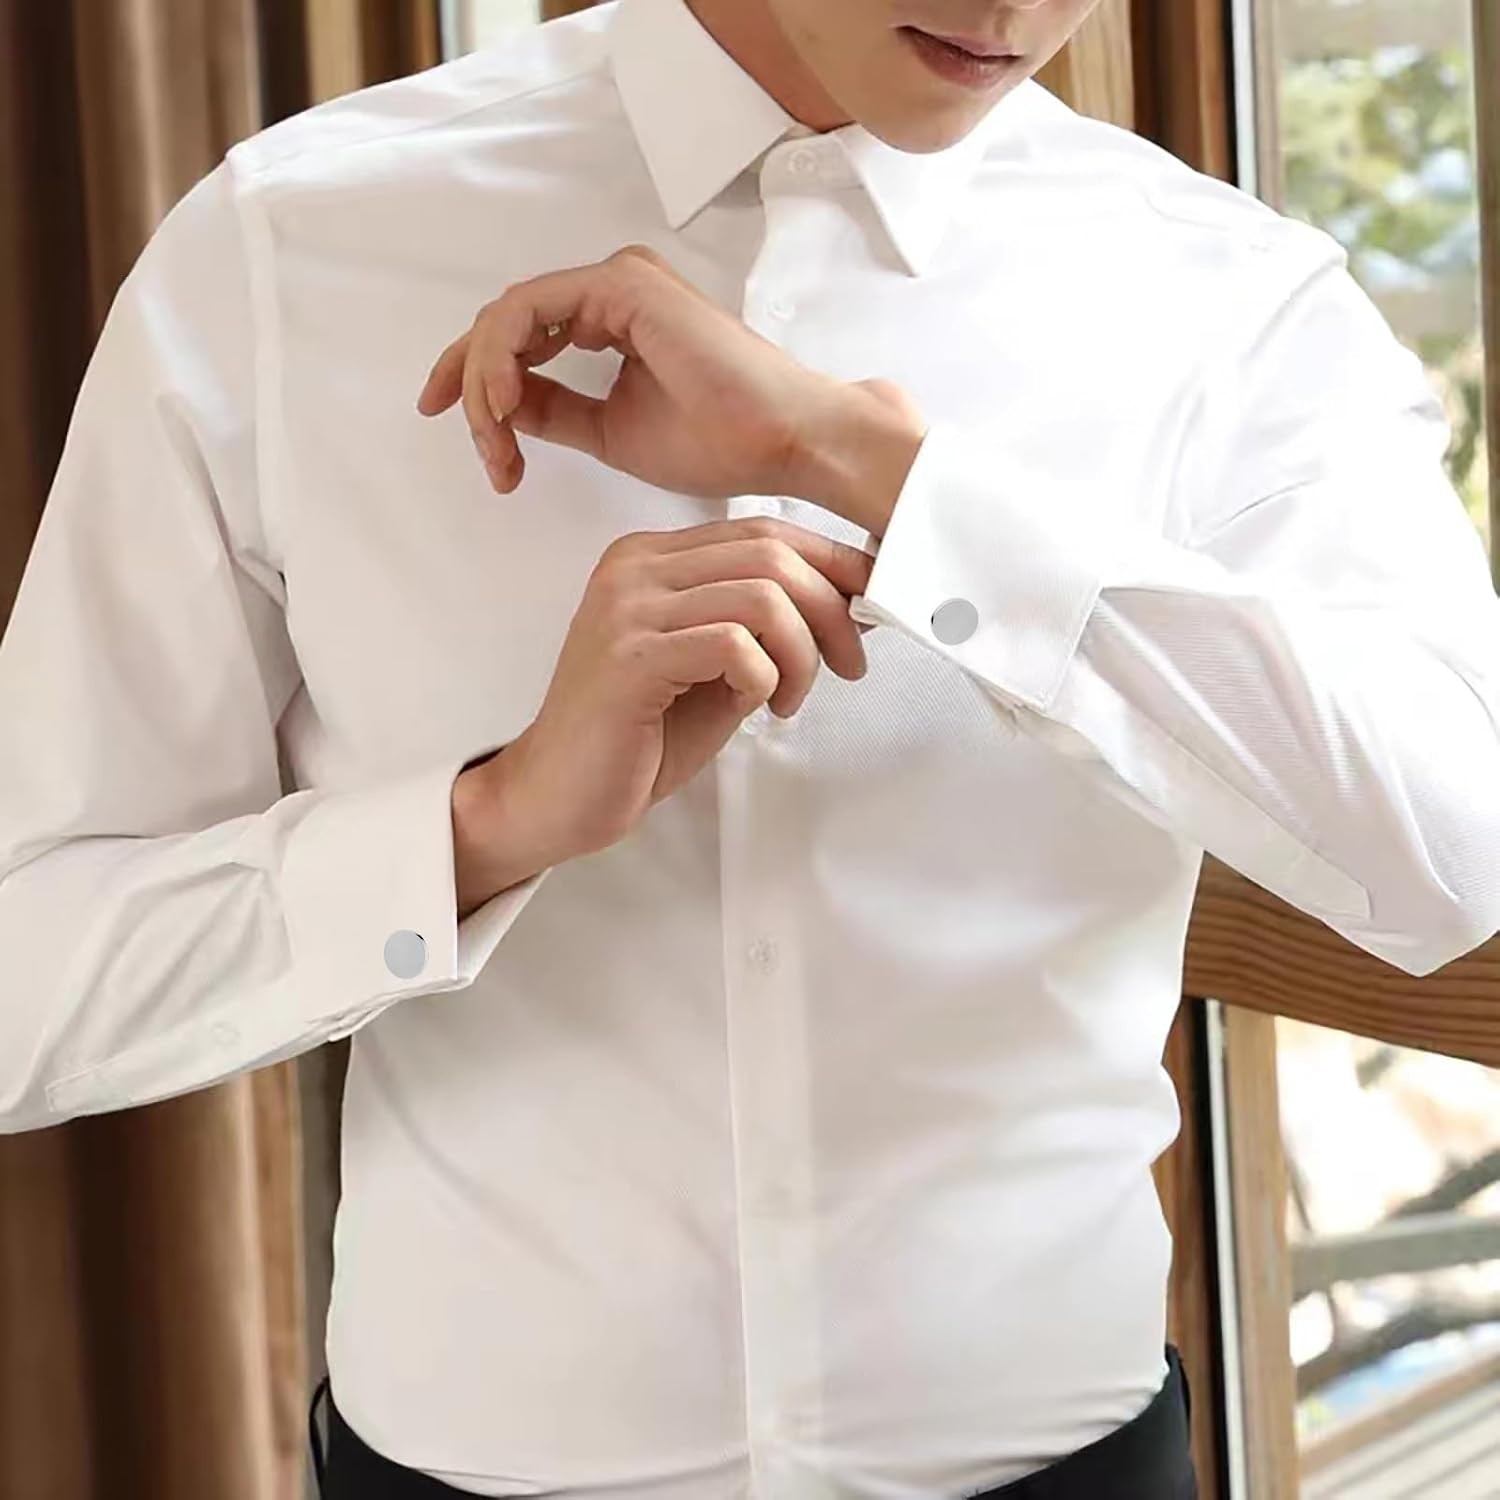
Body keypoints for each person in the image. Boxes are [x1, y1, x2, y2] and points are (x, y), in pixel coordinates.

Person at [3, 0, 1498, 1494]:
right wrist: (486, 827)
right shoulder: (289, 250)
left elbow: (1460, 847)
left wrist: (877, 471)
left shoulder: (1230, 302)